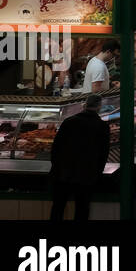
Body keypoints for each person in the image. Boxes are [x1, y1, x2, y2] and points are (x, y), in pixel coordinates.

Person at [49, 93, 111, 221]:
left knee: (58, 208)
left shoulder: (69, 122)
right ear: (99, 107)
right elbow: (103, 154)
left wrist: (56, 167)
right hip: (86, 175)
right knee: (82, 209)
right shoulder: (102, 126)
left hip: (63, 173)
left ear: (84, 105)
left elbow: (55, 148)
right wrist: (97, 173)